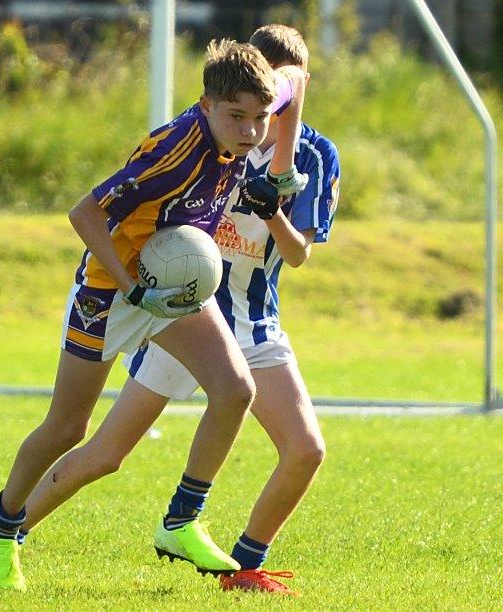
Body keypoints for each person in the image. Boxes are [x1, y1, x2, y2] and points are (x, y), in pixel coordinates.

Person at [0, 39, 309, 591]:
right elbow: (83, 213)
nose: (251, 131)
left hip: (173, 281)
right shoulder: (173, 152)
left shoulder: (251, 116)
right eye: (237, 118)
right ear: (206, 104)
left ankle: (181, 521)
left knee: (235, 390)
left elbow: (296, 79)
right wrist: (133, 290)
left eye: (259, 118)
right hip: (111, 292)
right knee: (68, 428)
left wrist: (279, 170)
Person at [121, 25, 339, 595]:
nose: (255, 120)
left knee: (306, 449)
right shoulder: (208, 136)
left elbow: (297, 255)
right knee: (103, 452)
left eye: (274, 100)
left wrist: (272, 213)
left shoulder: (314, 154)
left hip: (255, 323)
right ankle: (1, 531)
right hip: (188, 318)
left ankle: (245, 568)